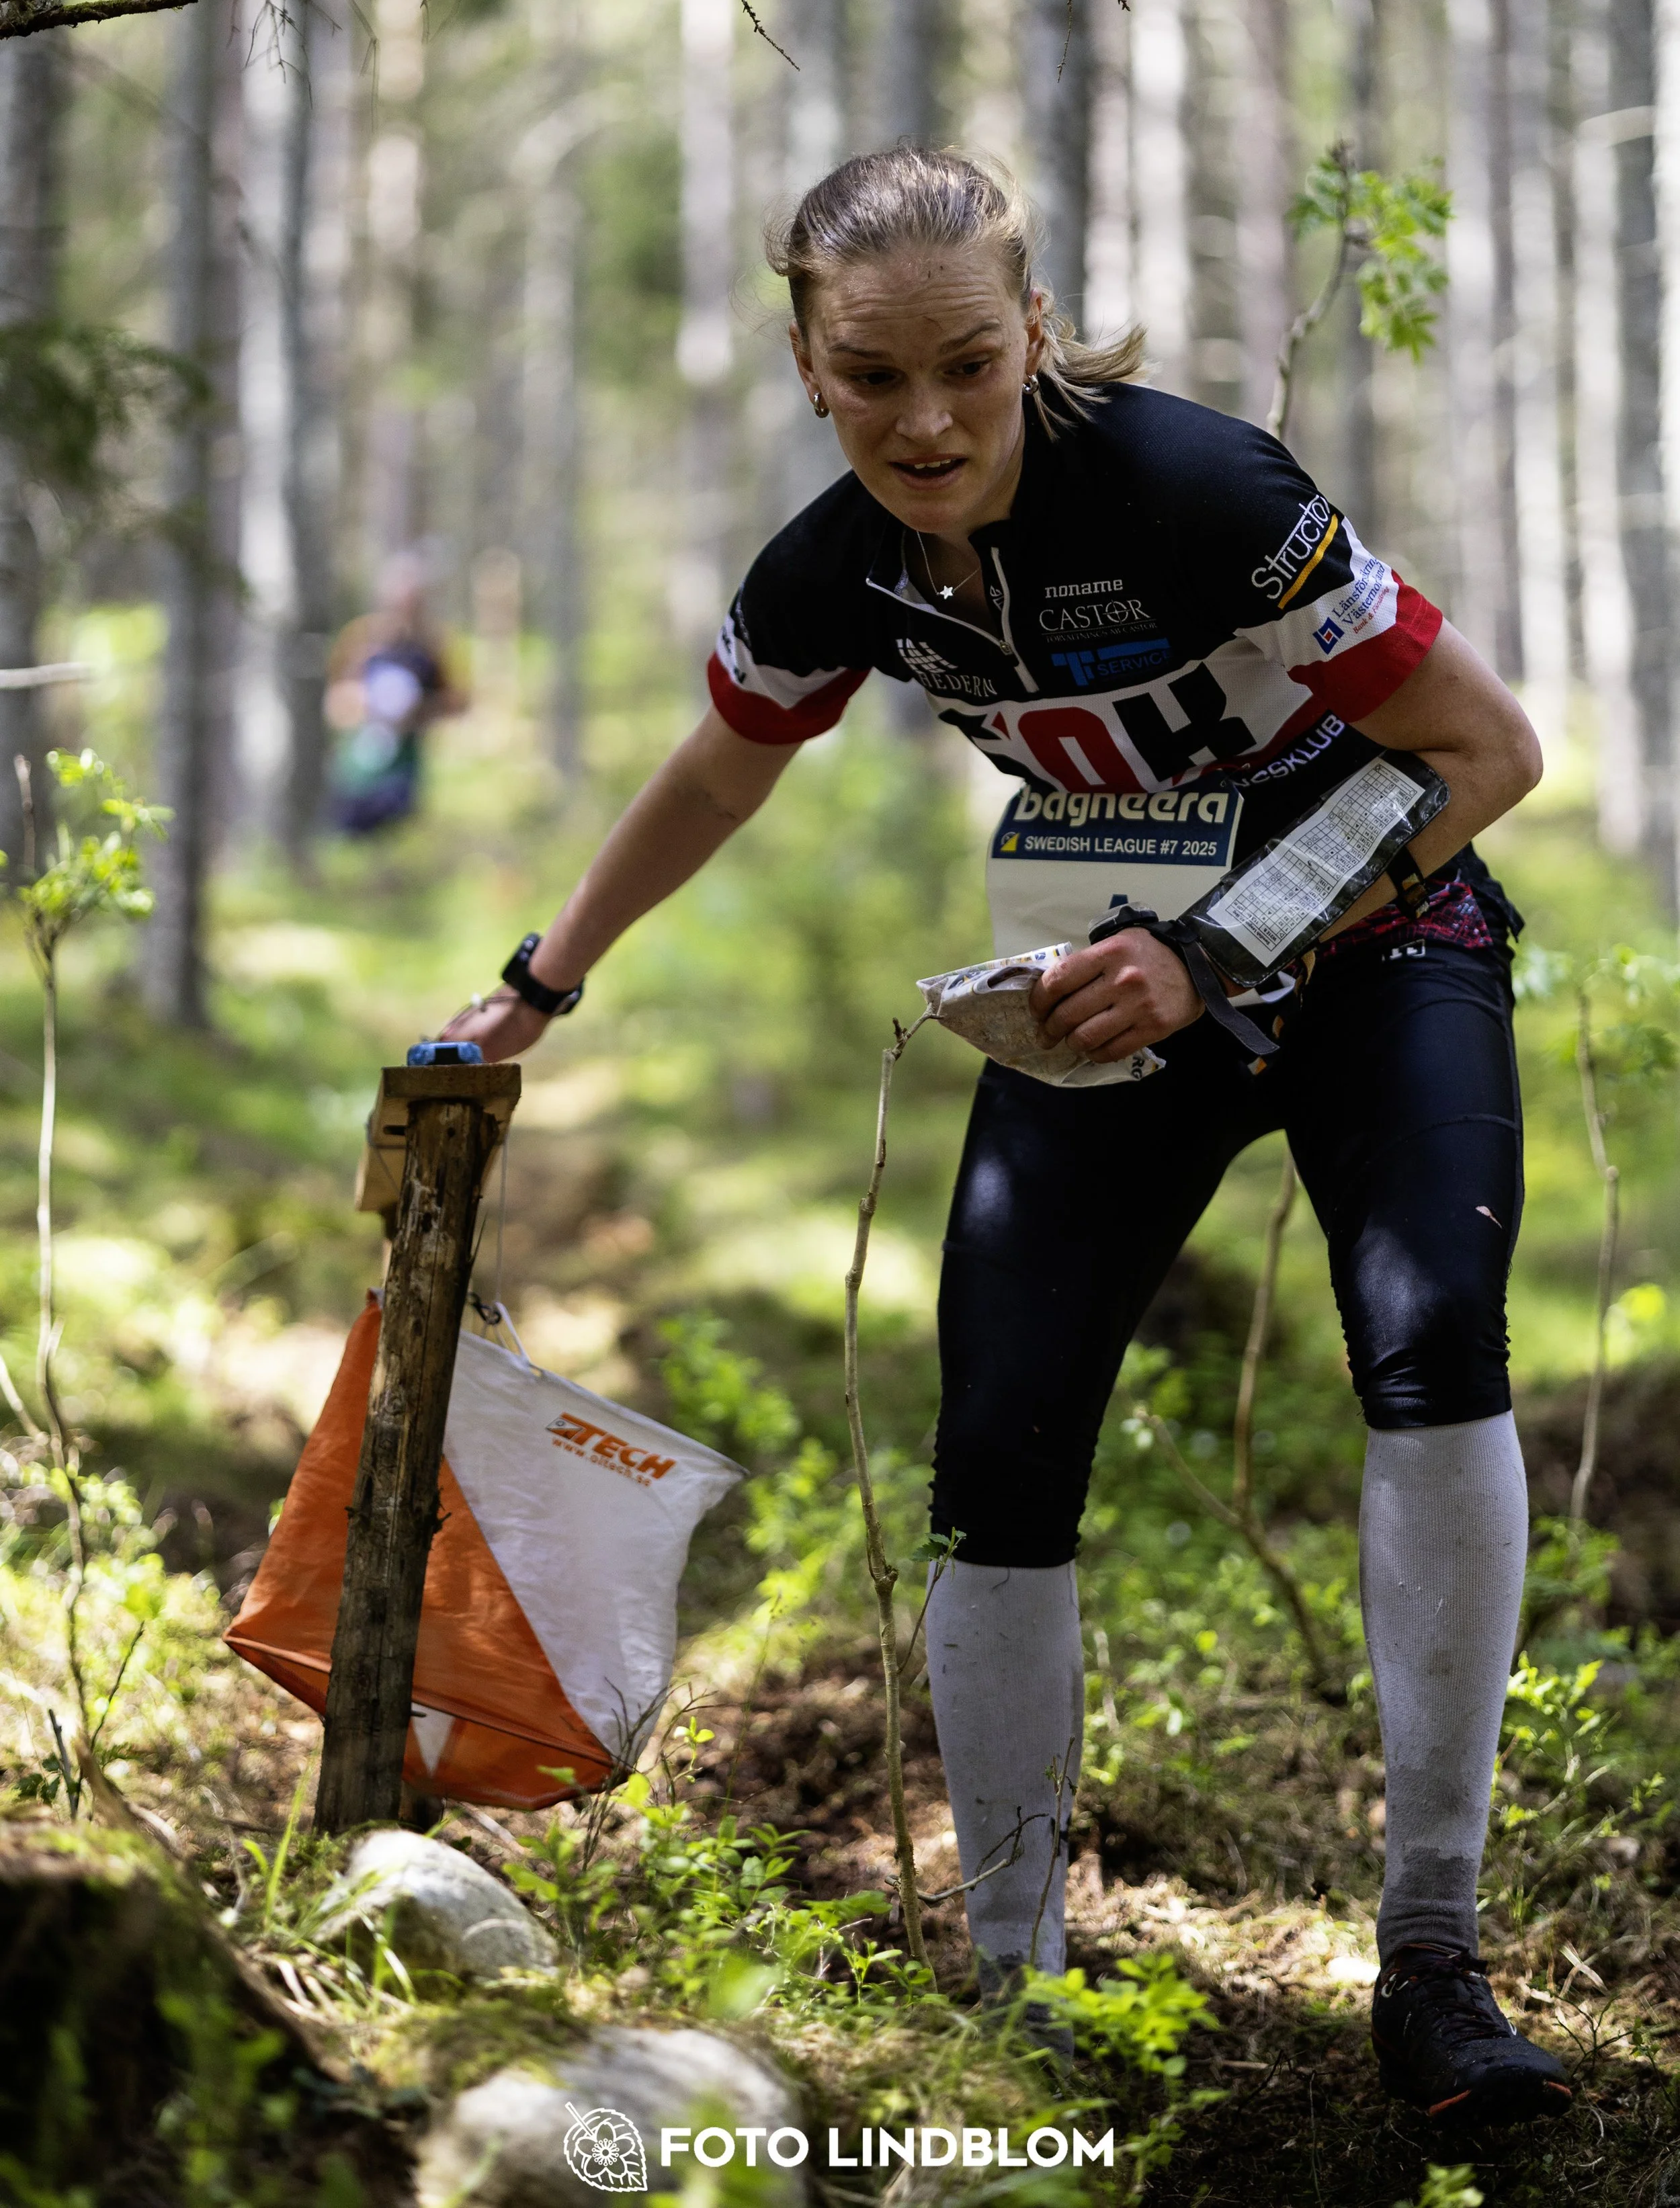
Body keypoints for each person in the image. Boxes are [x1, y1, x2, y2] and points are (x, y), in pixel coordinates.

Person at [444, 146, 1569, 2128]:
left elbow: (1485, 752)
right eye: (870, 376)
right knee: (998, 1437)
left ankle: (1432, 1958)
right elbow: (720, 760)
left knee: (1426, 1343)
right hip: (1107, 978)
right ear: (807, 363)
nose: (927, 419)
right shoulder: (834, 564)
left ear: (1034, 333)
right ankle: (1016, 1988)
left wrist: (1221, 945)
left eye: (968, 361)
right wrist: (540, 982)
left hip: (1378, 944)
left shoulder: (1194, 490)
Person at [326, 551, 467, 834]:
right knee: (344, 832)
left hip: (403, 769)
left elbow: (457, 703)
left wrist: (417, 712)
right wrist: (363, 704)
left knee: (396, 830)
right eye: (400, 599)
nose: (405, 607)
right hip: (357, 766)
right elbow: (334, 702)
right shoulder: (361, 640)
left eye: (413, 600)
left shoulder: (433, 647)